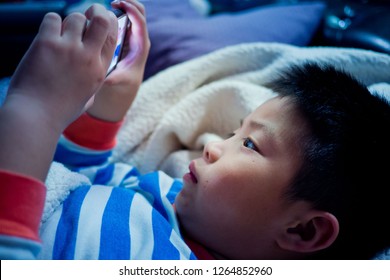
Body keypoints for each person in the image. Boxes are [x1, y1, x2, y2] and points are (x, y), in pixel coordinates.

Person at [0, 0, 389, 260]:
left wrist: (32, 110)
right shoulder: (169, 196)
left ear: (303, 231)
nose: (213, 148)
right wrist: (113, 102)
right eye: (237, 133)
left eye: (250, 144)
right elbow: (83, 179)